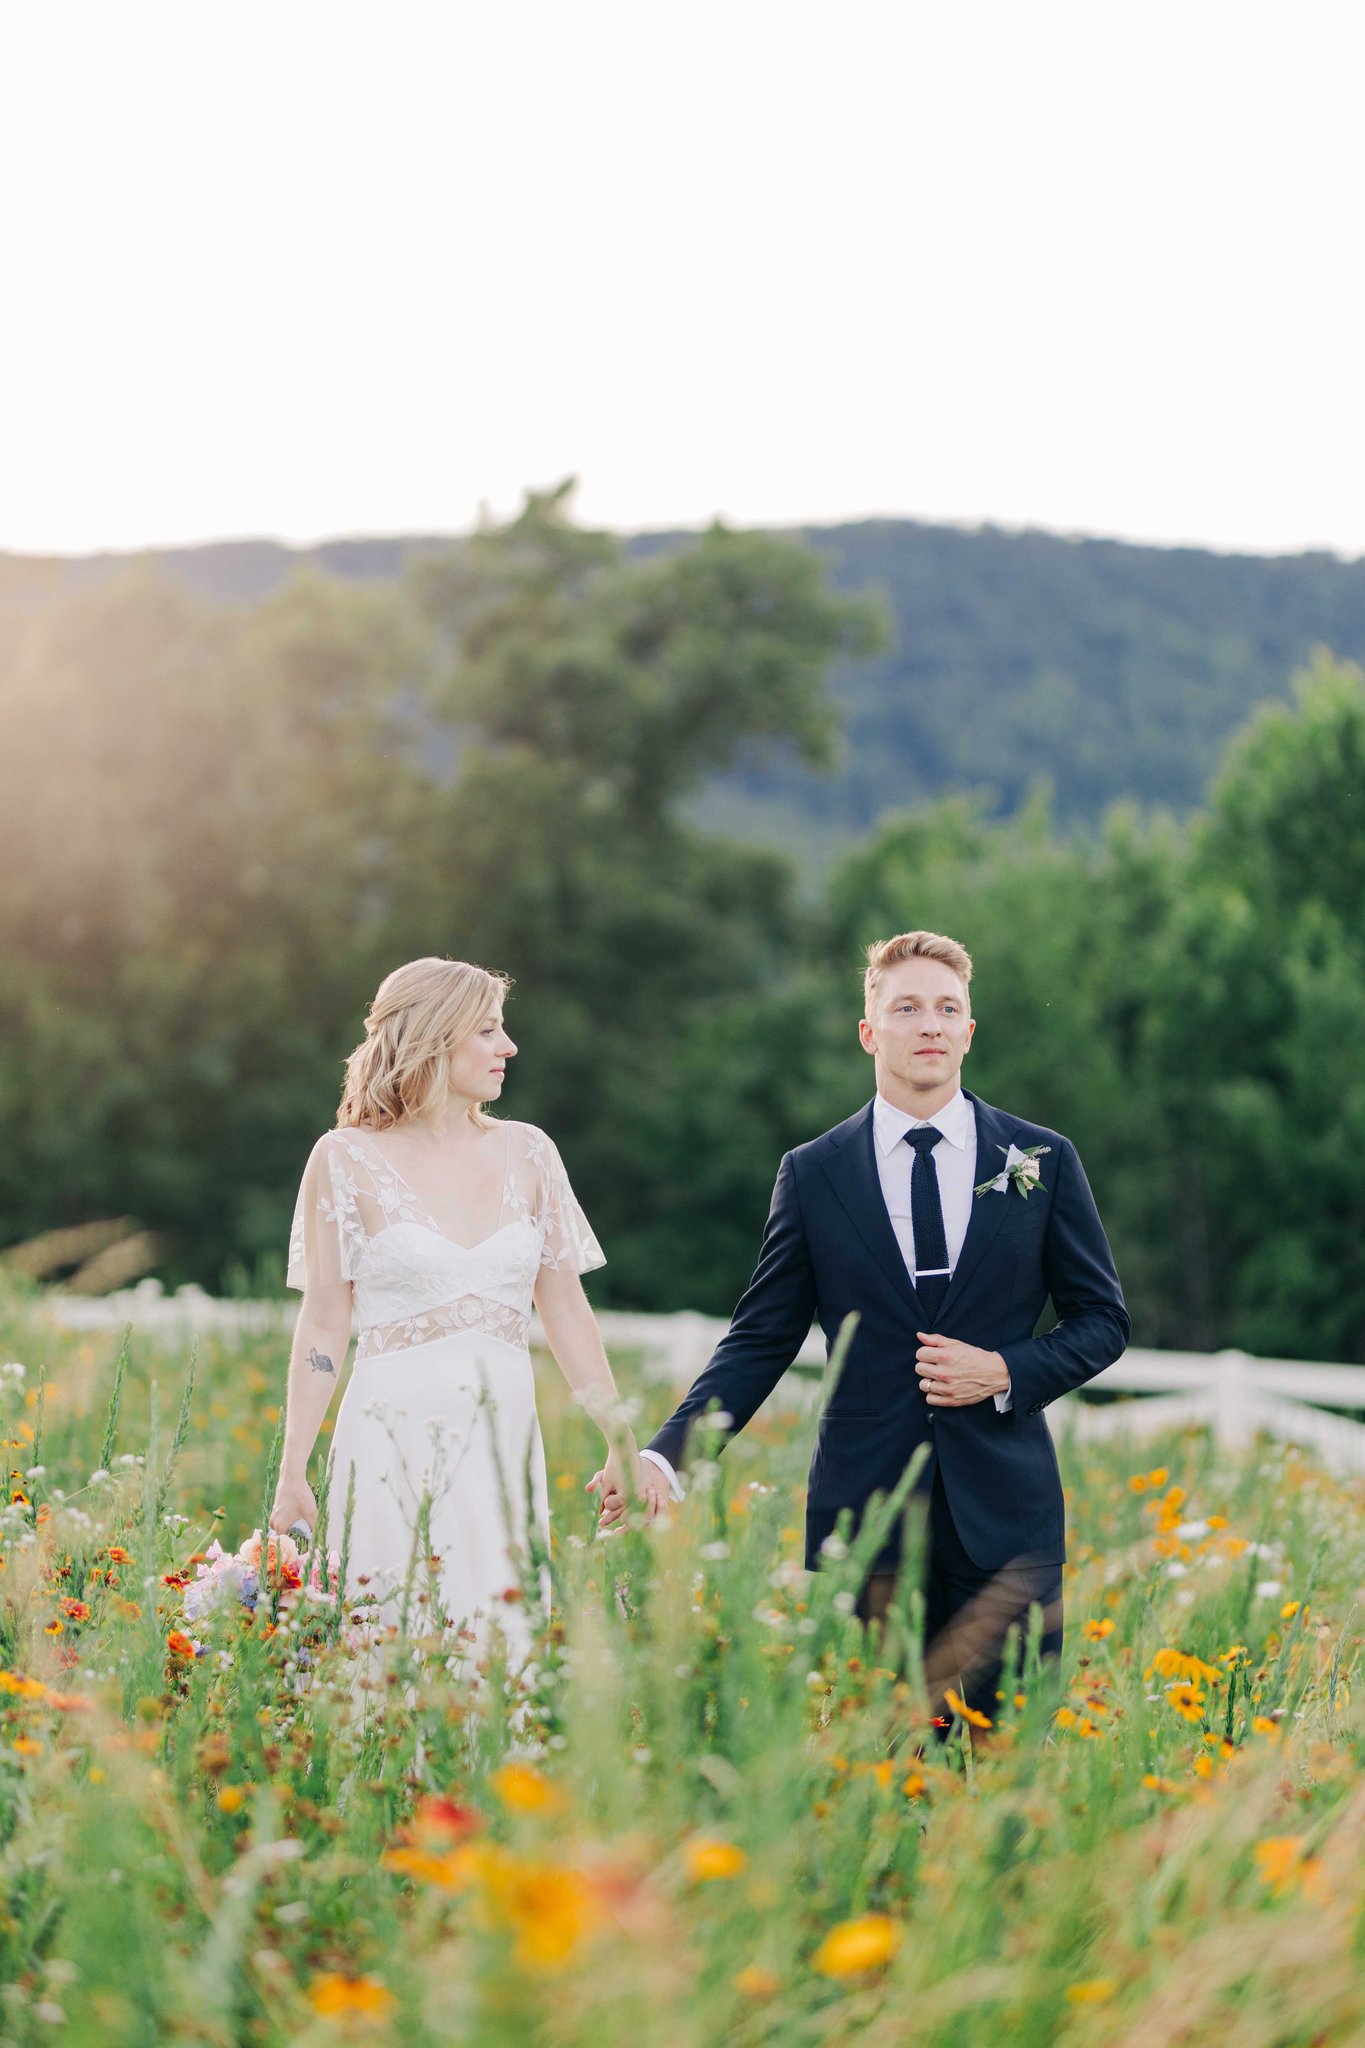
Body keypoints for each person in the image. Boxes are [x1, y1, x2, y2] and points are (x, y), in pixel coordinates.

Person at [600, 930, 1130, 1722]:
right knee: (885, 1764)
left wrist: (1007, 1371)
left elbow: (1102, 1321)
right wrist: (667, 1457)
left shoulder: (1040, 1159)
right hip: (868, 1519)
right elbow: (760, 1337)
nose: (929, 1025)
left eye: (948, 1009)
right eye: (907, 1007)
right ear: (868, 1030)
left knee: (1009, 1761)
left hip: (1006, 1517)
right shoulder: (812, 1173)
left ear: (968, 1032)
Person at [270, 956, 645, 1669]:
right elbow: (323, 1323)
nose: (507, 1047)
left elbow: (565, 1309)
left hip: (501, 1439)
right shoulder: (344, 1158)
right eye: (489, 1030)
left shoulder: (529, 1152)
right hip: (387, 1440)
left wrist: (617, 1436)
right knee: (384, 1643)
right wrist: (294, 1468)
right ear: (434, 1036)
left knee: (500, 1649)